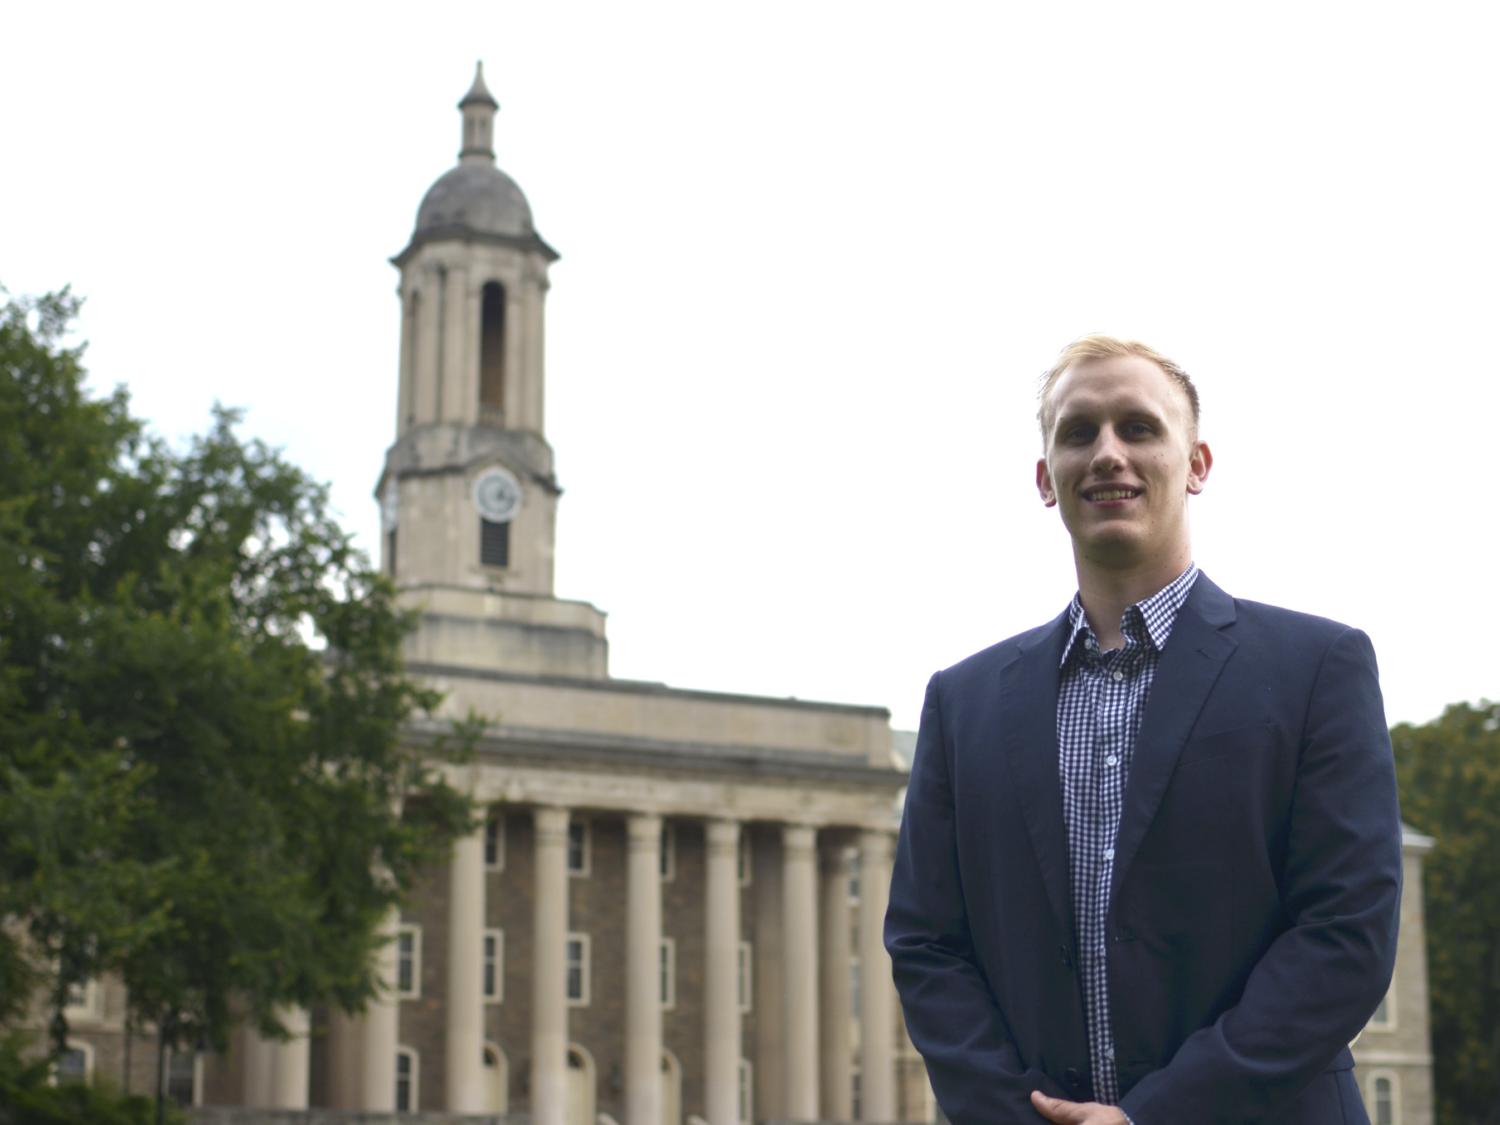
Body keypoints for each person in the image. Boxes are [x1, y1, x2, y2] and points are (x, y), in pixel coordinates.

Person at [884, 336, 1402, 1124]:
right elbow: (927, 944)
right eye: (1078, 431)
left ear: (1197, 464)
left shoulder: (1316, 666)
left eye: (1139, 427)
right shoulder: (963, 701)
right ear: (1044, 479)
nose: (1108, 453)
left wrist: (1153, 1115)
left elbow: (1346, 931)